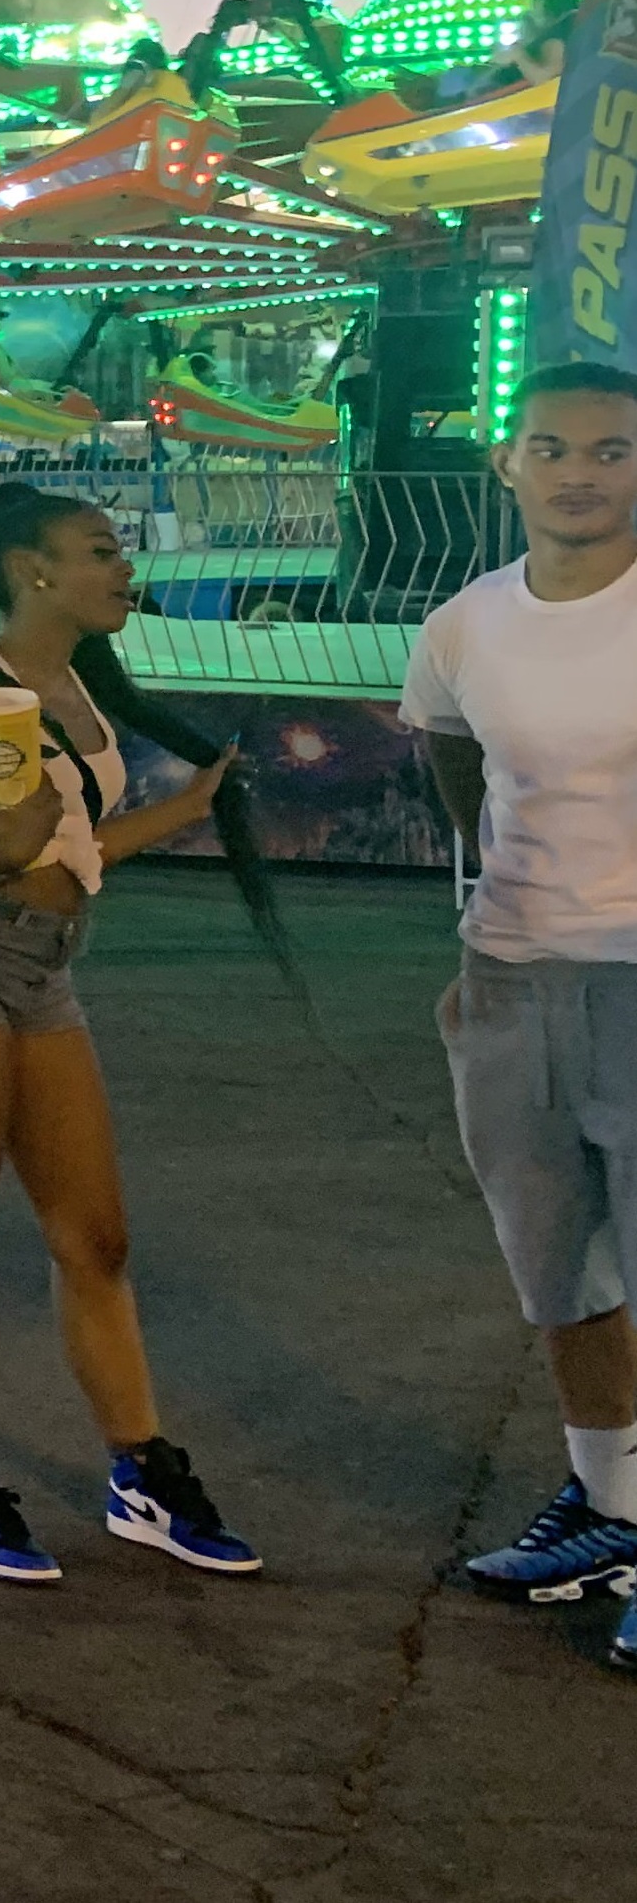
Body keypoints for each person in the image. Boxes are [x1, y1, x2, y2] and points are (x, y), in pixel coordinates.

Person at [0, 479, 291, 1587]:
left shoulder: (81, 690)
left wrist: (190, 808)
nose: (122, 569)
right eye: (100, 551)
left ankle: (138, 1473)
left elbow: (75, 851)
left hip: (42, 975)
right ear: (28, 570)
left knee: (93, 1238)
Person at [402, 361, 637, 1662]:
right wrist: (495, 890)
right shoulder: (464, 625)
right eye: (551, 446)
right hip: (514, 972)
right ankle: (613, 1507)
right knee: (557, 1265)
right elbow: (446, 744)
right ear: (508, 465)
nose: (579, 472)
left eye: (610, 450)